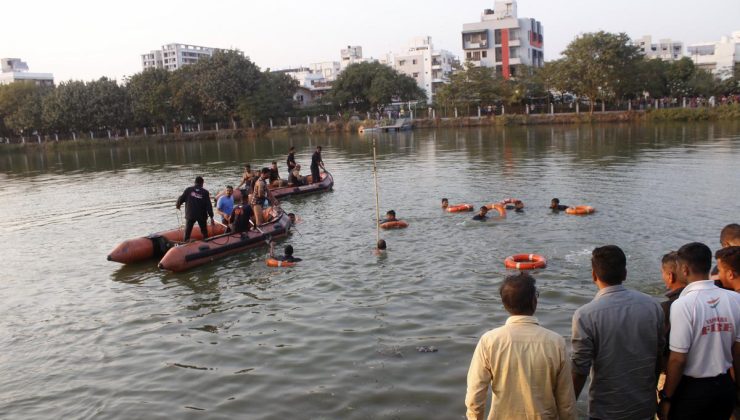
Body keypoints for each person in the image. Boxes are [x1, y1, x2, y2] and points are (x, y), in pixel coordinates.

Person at [466, 272, 576, 420]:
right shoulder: (556, 342)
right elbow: (566, 403)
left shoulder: (489, 341)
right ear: (534, 302)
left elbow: (475, 397)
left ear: (505, 305)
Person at [571, 245, 664, 420]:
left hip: (606, 411)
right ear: (625, 274)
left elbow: (580, 369)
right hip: (644, 406)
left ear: (593, 275)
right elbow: (659, 354)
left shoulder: (585, 315)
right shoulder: (653, 306)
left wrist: (567, 406)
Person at [659, 242, 740, 420]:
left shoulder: (684, 304)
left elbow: (678, 359)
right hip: (724, 387)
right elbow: (737, 352)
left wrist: (667, 397)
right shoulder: (735, 299)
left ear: (685, 269)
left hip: (693, 391)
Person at [176, 176, 215, 242]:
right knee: (204, 232)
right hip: (201, 215)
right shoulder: (205, 192)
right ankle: (207, 243)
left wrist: (178, 205)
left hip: (190, 215)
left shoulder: (188, 190)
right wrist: (211, 217)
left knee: (187, 232)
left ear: (194, 182)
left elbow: (181, 199)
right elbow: (209, 205)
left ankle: (185, 244)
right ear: (202, 183)